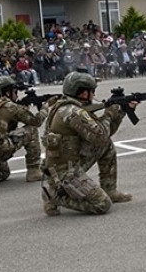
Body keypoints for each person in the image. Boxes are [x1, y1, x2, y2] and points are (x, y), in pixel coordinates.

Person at [40, 71, 136, 216]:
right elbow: (100, 136)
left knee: (107, 145)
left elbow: (104, 136)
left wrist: (120, 112)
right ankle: (54, 196)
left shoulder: (66, 106)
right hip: (63, 172)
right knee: (102, 204)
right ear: (84, 93)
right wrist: (109, 114)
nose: (93, 94)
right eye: (92, 91)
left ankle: (109, 189)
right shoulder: (73, 112)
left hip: (69, 164)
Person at [0, 76, 51, 189]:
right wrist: (45, 108)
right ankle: (33, 171)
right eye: (15, 92)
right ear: (7, 93)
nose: (17, 95)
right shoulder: (9, 106)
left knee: (3, 174)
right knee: (31, 129)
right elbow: (36, 121)